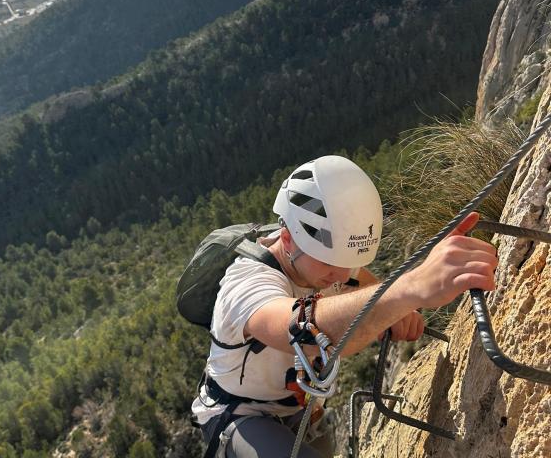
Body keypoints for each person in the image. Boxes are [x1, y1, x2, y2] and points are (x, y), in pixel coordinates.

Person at [191, 155, 498, 457]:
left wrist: (396, 309)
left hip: (300, 412)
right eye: (331, 263)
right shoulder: (245, 285)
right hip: (241, 416)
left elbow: (365, 286)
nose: (341, 274)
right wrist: (410, 288)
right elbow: (303, 330)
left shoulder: (323, 256)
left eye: (349, 262)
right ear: (287, 239)